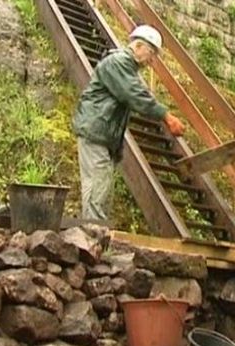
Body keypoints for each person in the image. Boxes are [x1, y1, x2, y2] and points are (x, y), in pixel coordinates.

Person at [72, 25, 185, 220]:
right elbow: (134, 94)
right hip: (95, 133)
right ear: (139, 45)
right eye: (151, 53)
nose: (151, 61)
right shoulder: (119, 63)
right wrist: (166, 115)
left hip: (103, 136)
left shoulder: (126, 68)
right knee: (96, 193)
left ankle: (95, 239)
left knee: (102, 191)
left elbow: (135, 93)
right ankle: (90, 241)